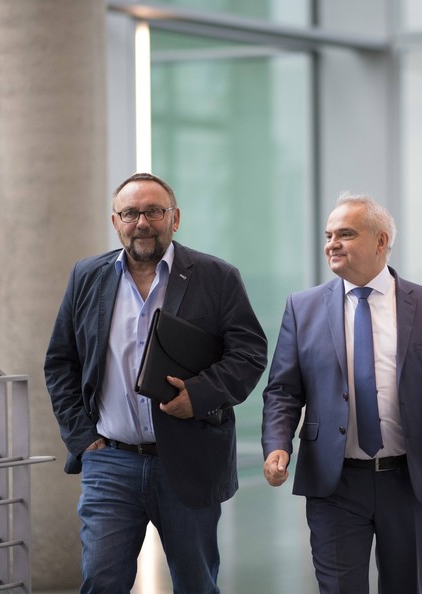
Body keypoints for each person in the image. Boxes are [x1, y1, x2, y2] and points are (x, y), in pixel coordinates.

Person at [44, 172, 268, 594]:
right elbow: (60, 362)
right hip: (110, 460)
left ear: (175, 218)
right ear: (115, 221)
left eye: (153, 211)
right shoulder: (87, 276)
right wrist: (83, 438)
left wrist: (197, 397)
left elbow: (249, 354)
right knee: (101, 580)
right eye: (130, 213)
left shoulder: (216, 277)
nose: (142, 222)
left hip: (189, 457)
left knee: (196, 583)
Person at [261, 193, 422, 594]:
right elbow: (283, 390)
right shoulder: (302, 308)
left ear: (381, 241)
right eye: (329, 235)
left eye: (346, 233)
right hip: (334, 482)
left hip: (409, 479)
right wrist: (277, 445)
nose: (332, 243)